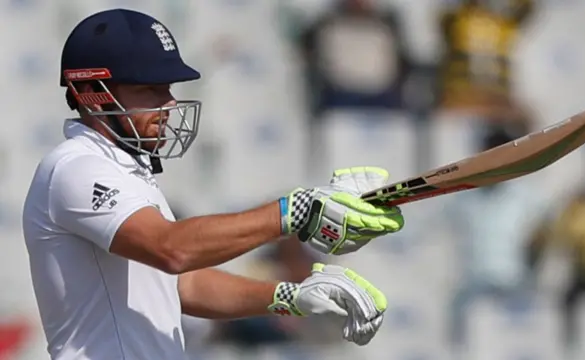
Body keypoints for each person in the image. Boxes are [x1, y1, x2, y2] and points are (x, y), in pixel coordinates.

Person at [21, 8, 405, 360]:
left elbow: (181, 285)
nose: (169, 103)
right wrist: (293, 211)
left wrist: (289, 295)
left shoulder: (126, 172)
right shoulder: (75, 167)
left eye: (167, 87)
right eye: (149, 89)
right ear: (94, 95)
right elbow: (172, 250)